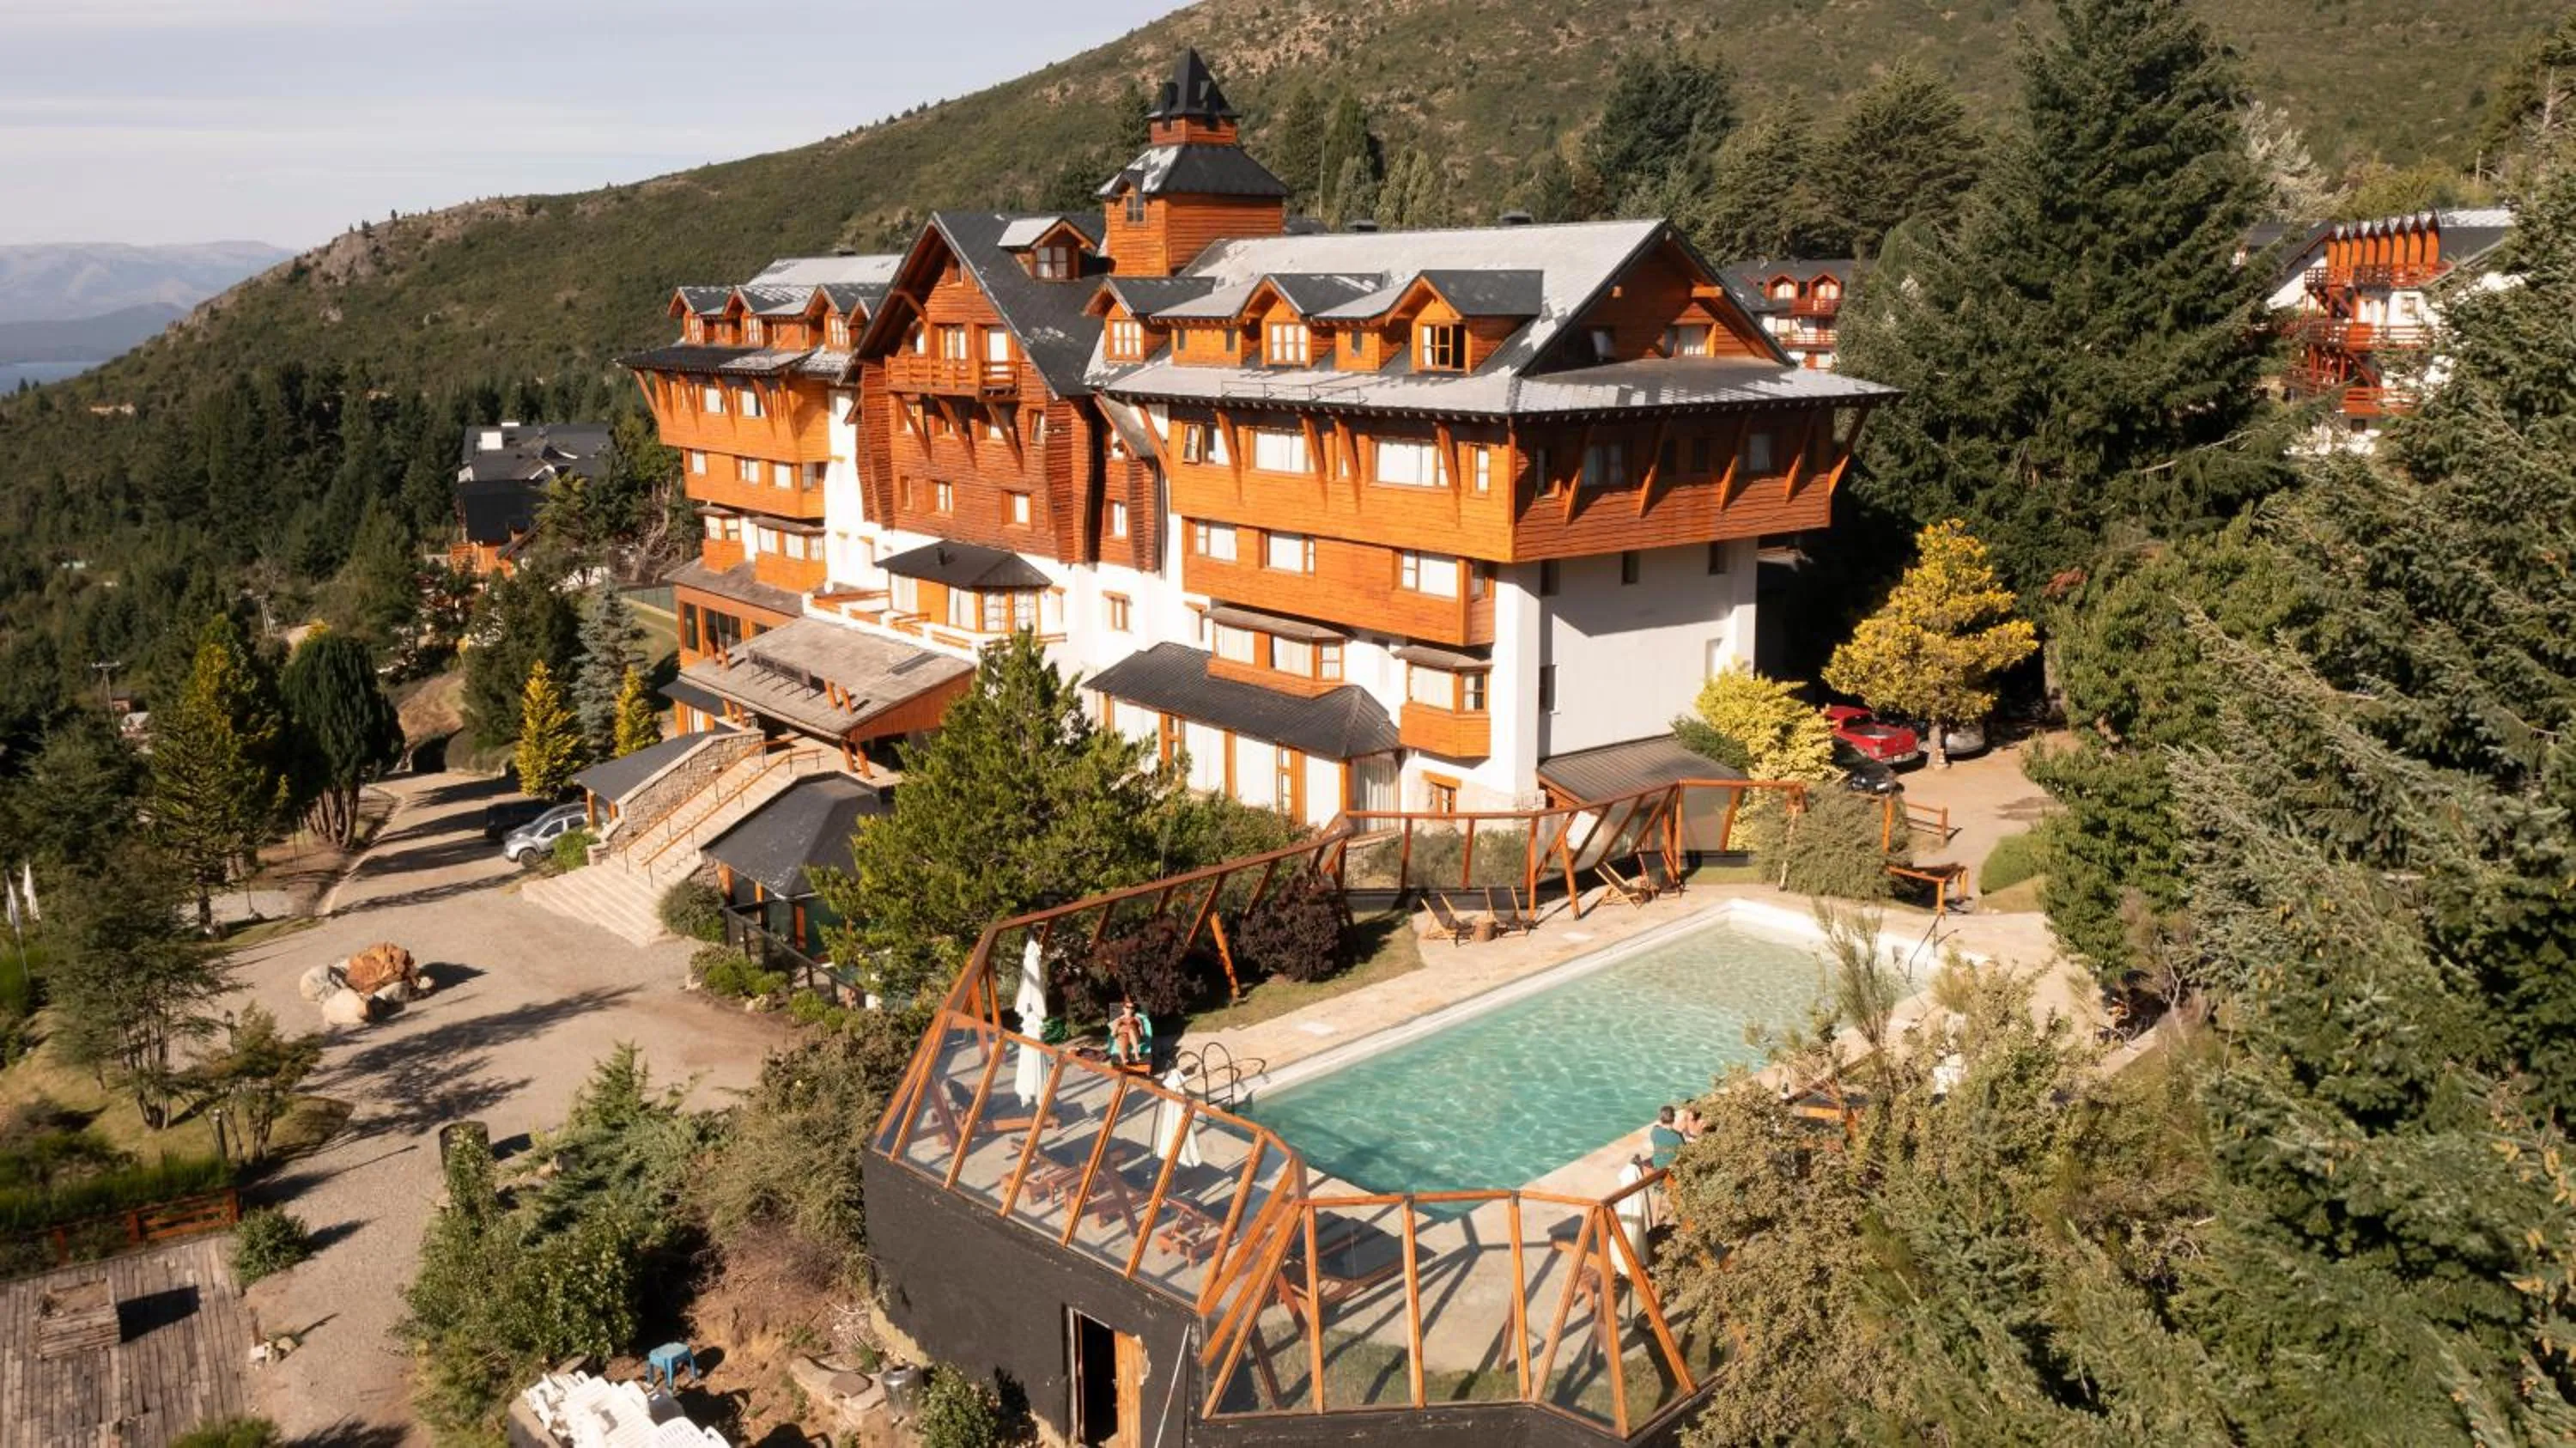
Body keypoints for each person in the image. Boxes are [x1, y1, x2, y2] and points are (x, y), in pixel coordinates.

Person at [1109, 999, 1148, 1066]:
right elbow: (1112, 1034)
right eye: (1127, 1007)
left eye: (1132, 1008)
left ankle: (1136, 1055)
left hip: (1134, 1037)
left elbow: (1142, 1033)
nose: (1130, 1009)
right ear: (1124, 1008)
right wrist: (1117, 1026)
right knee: (1122, 1037)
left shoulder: (1136, 1019)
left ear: (1133, 1010)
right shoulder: (1119, 1020)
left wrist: (1141, 1026)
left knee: (1131, 1031)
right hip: (1123, 1036)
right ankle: (1124, 1059)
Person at [1648, 1104, 1686, 1170]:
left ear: (1660, 1119)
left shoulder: (1655, 1131)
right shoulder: (1678, 1137)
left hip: (1657, 1165)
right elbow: (1684, 1152)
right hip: (1670, 1168)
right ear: (1673, 1119)